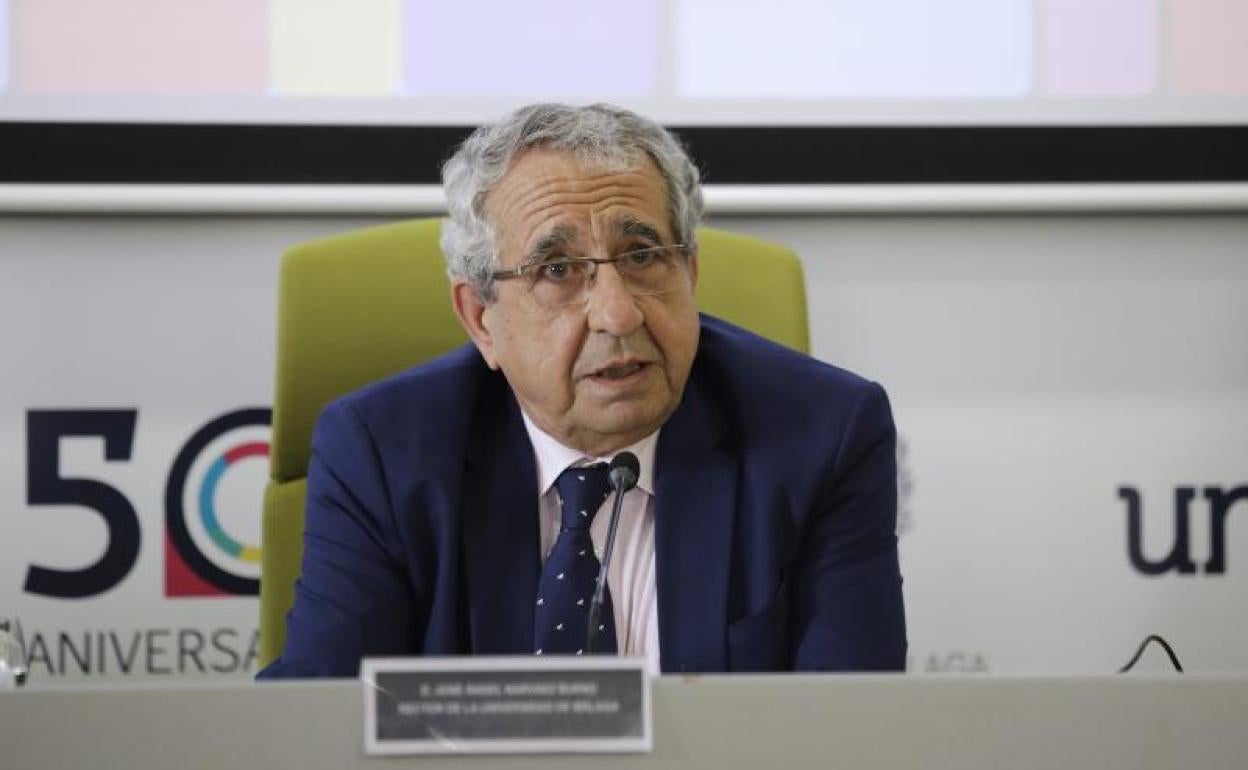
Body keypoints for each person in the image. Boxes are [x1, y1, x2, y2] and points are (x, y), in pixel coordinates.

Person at [259, 103, 905, 678]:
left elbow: (848, 729)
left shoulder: (825, 435)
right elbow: (318, 724)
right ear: (482, 319)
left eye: (643, 256)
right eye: (559, 270)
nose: (617, 314)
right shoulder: (381, 455)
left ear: (691, 272)